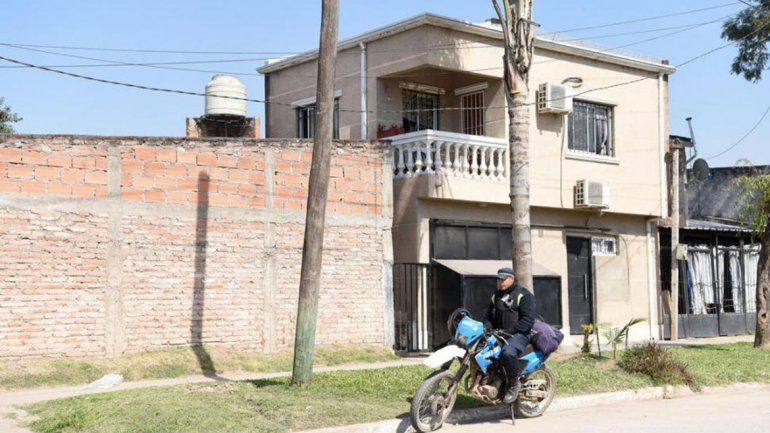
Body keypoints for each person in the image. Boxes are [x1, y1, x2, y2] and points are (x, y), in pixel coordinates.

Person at [483, 267, 536, 404]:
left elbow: (528, 320)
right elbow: (487, 316)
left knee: (507, 353)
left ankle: (514, 384)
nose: (500, 282)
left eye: (503, 279)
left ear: (512, 279)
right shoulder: (496, 295)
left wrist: (510, 331)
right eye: (498, 279)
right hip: (499, 333)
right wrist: (487, 328)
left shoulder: (523, 295)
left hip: (519, 334)